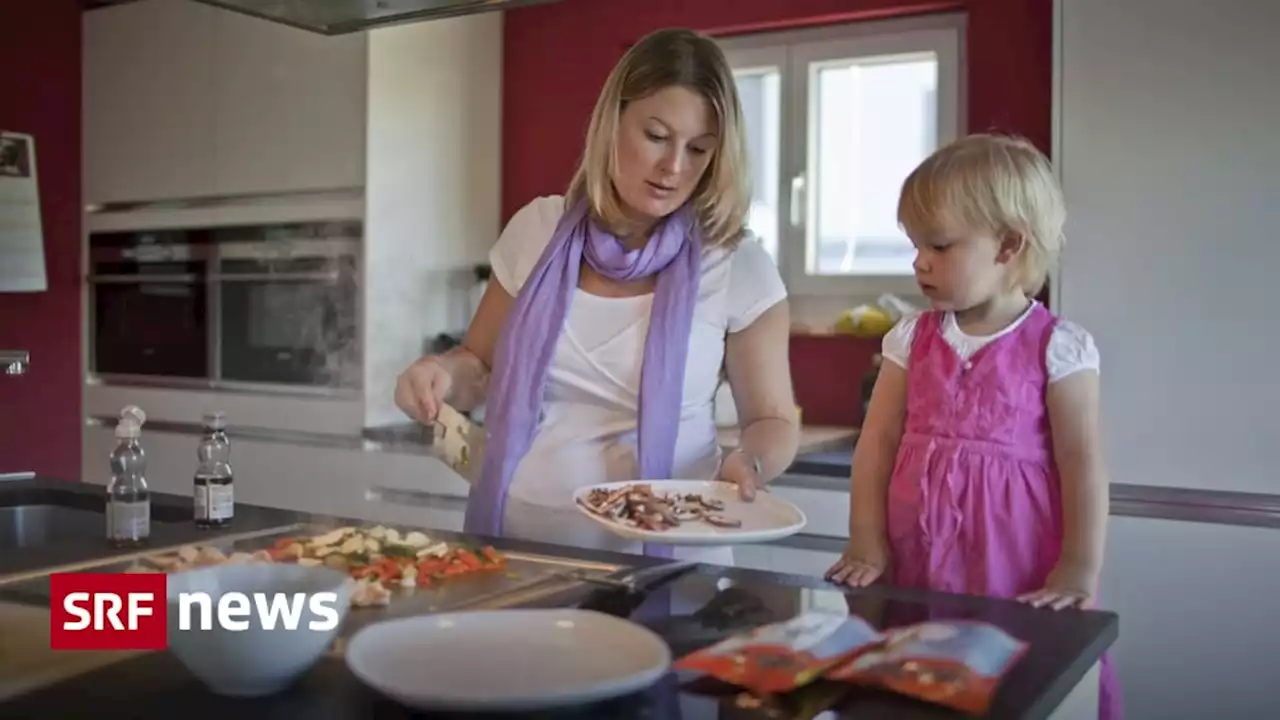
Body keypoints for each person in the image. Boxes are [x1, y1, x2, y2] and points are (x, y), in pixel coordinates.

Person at [394, 28, 799, 565]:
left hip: (672, 558)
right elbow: (479, 369)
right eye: (656, 136)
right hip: (523, 547)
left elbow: (773, 420)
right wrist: (440, 374)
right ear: (613, 123)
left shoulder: (737, 263)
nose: (674, 167)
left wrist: (750, 461)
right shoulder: (536, 230)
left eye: (699, 149)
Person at [823, 134, 1121, 719]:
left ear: (1009, 245)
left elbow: (1083, 462)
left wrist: (1078, 565)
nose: (918, 262)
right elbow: (877, 443)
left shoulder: (1058, 347)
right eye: (915, 245)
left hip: (1014, 564)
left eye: (938, 245)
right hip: (918, 557)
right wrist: (865, 535)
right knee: (914, 690)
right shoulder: (909, 338)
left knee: (1008, 691)